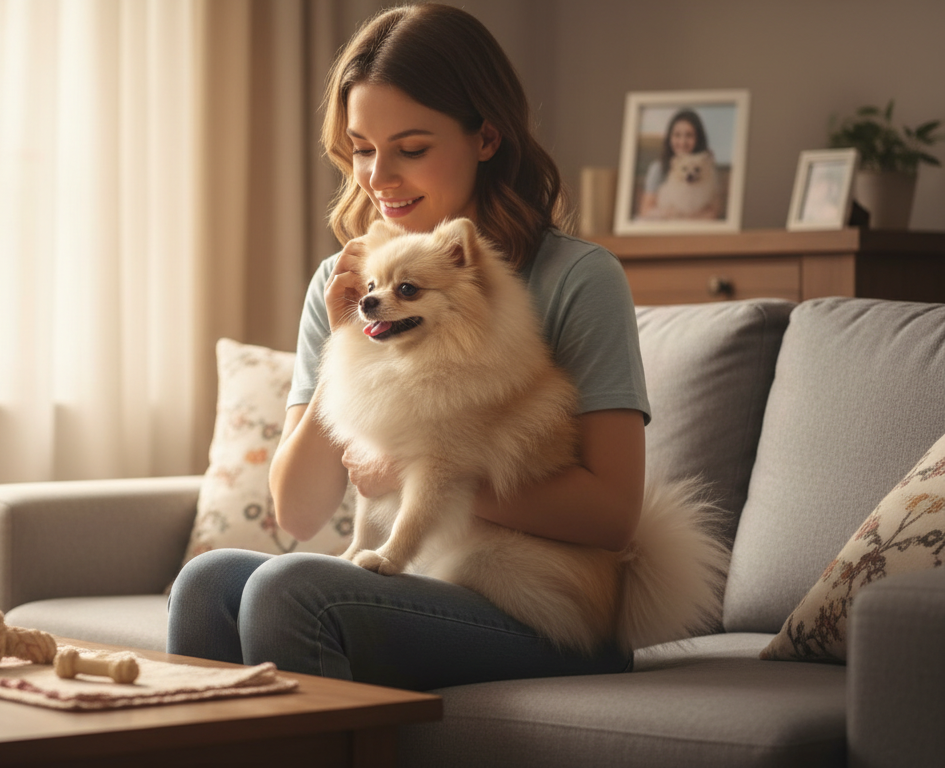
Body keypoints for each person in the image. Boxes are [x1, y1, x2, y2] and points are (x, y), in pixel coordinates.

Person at [167, 3, 651, 692]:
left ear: (487, 137)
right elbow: (300, 511)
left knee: (289, 591)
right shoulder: (354, 284)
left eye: (411, 148)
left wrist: (412, 474)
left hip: (540, 600)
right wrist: (349, 342)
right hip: (426, 579)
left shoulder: (577, 278)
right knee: (207, 583)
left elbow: (611, 516)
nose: (377, 177)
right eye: (363, 147)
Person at [636, 108, 716, 219]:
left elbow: (713, 212)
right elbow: (646, 211)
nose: (682, 142)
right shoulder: (658, 168)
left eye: (689, 135)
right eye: (677, 135)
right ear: (669, 138)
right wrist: (673, 213)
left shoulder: (707, 168)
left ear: (698, 138)